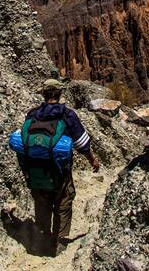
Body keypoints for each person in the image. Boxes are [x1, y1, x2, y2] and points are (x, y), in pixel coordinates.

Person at [26, 77, 100, 255]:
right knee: (63, 201)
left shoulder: (32, 114)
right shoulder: (67, 115)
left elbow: (24, 141)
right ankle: (58, 242)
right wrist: (92, 160)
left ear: (43, 94)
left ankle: (42, 237)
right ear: (59, 94)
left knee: (41, 200)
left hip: (36, 168)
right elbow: (82, 143)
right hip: (61, 169)